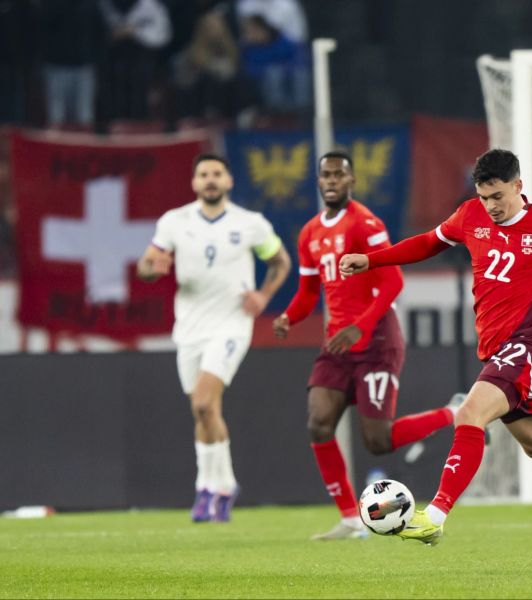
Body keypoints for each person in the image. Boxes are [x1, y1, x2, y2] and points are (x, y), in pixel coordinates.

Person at [340, 149, 532, 545]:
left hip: (529, 341)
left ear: (518, 187)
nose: (491, 207)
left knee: (469, 413)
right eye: (484, 197)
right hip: (495, 347)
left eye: (498, 196)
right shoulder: (470, 215)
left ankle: (434, 516)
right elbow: (429, 243)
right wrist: (372, 260)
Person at [273, 151, 460, 541]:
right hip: (338, 344)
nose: (331, 181)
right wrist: (290, 316)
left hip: (375, 339)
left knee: (377, 441)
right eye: (325, 175)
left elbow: (393, 281)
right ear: (318, 179)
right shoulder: (309, 233)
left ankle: (453, 413)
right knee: (318, 423)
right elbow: (309, 291)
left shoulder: (366, 223)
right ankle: (349, 519)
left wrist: (360, 326)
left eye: (338, 175)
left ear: (351, 180)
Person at [137, 152, 291, 523]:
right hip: (189, 327)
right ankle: (225, 485)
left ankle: (206, 488)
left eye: (217, 173)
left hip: (231, 324)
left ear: (229, 181)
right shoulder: (174, 222)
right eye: (203, 174)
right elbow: (146, 264)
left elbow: (280, 261)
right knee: (205, 411)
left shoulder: (249, 223)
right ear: (194, 183)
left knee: (204, 404)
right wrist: (151, 268)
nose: (210, 179)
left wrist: (264, 296)